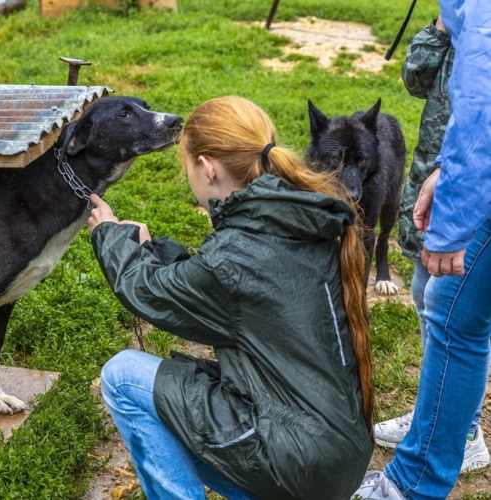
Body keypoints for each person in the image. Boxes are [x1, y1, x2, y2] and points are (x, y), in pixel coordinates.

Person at [88, 95, 374, 500]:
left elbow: (152, 292)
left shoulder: (238, 249)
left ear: (207, 168)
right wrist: (151, 249)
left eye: (187, 169)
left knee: (123, 376)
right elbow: (220, 289)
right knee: (177, 405)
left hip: (301, 463)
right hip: (337, 460)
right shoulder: (300, 214)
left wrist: (111, 235)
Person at [352, 1, 491, 499]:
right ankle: (441, 414)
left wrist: (453, 218)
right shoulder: (461, 16)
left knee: (454, 319)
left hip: (473, 185)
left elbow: (480, 114)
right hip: (454, 171)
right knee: (440, 306)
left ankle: (417, 478)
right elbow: (418, 78)